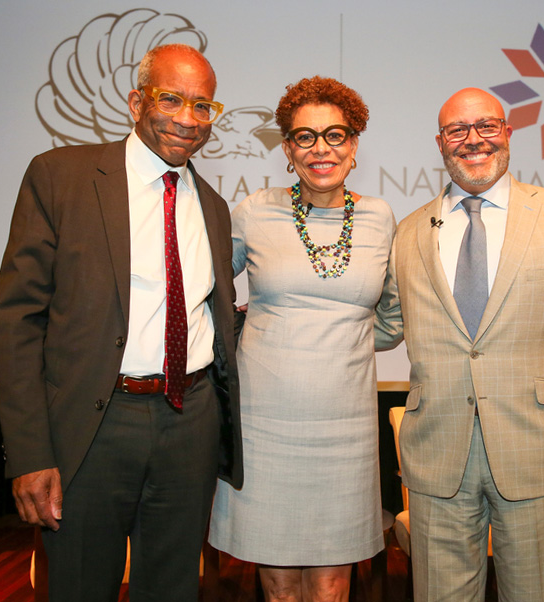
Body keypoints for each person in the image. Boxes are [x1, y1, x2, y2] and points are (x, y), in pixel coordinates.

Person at [0, 44, 242, 601]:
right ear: (136, 102)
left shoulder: (214, 207)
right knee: (79, 586)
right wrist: (31, 453)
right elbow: (18, 320)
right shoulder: (61, 176)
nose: (187, 118)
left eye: (203, 106)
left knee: (175, 588)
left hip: (190, 422)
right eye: (171, 99)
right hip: (93, 426)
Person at [375, 87, 544, 601]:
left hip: (542, 457)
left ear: (507, 133)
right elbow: (382, 326)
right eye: (457, 131)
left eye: (486, 126)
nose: (473, 140)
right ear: (440, 143)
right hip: (437, 454)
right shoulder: (409, 231)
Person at [209, 76, 395, 602]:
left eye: (335, 135)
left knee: (333, 584)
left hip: (345, 427)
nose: (321, 149)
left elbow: (395, 314)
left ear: (354, 144)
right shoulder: (253, 211)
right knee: (281, 585)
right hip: (266, 424)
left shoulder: (380, 218)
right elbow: (211, 292)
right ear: (288, 149)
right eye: (305, 137)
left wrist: (344, 343)